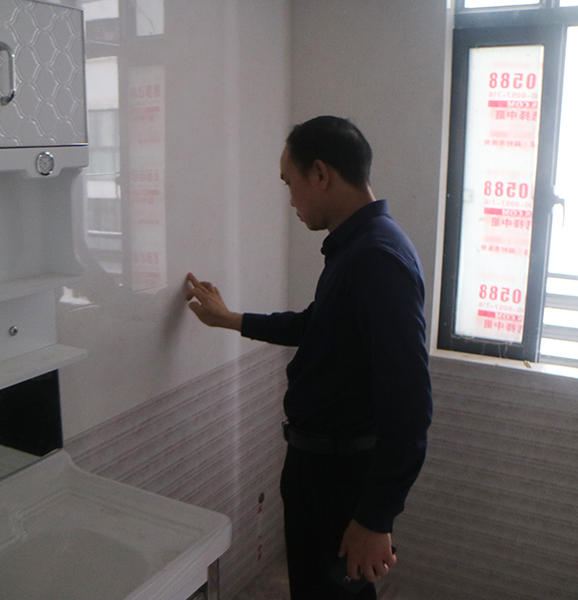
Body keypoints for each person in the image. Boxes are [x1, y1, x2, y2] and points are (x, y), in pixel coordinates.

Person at [185, 116, 432, 600]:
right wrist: (231, 319)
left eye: (288, 182)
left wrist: (374, 519)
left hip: (339, 480)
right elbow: (313, 325)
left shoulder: (375, 258)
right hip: (321, 470)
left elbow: (410, 407)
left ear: (320, 174)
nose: (290, 199)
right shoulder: (357, 247)